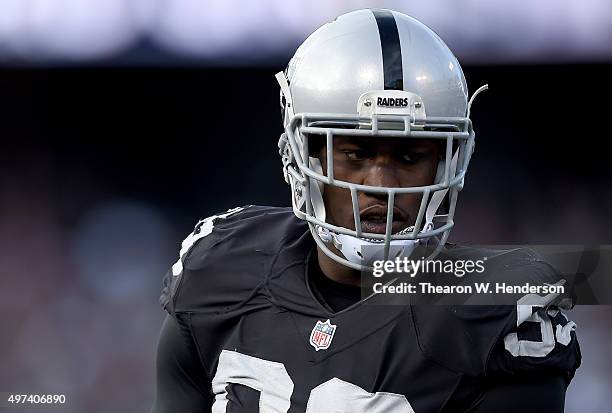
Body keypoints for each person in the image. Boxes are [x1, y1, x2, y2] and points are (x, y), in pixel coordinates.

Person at [152, 9, 580, 412]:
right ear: (304, 159)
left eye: (410, 157)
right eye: (355, 154)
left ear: (449, 164)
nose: (382, 185)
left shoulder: (498, 306)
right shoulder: (220, 266)